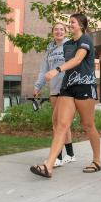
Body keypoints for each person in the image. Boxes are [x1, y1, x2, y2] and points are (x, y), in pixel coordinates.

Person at [30, 13, 101, 178]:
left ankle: (97, 160)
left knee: (88, 125)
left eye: (73, 22)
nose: (70, 25)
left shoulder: (86, 40)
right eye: (69, 22)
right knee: (61, 126)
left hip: (84, 85)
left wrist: (56, 70)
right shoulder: (68, 44)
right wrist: (42, 81)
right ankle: (48, 165)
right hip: (67, 87)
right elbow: (55, 60)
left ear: (82, 25)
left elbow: (77, 60)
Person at [33, 22, 76, 167]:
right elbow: (43, 70)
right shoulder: (49, 50)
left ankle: (57, 157)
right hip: (54, 90)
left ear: (66, 32)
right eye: (56, 29)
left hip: (66, 89)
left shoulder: (70, 45)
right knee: (62, 124)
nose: (58, 31)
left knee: (58, 124)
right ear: (52, 32)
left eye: (61, 29)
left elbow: (75, 64)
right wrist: (37, 86)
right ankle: (69, 154)